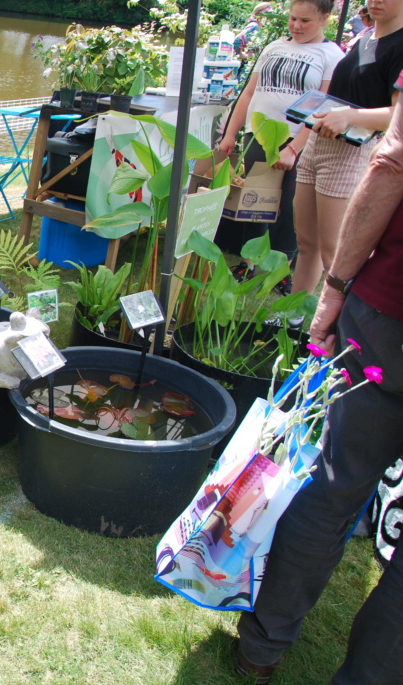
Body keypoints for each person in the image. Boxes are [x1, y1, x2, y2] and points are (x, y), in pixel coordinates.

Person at [234, 67, 403, 685]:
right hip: (389, 316)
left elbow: (391, 166)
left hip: (389, 312)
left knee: (335, 483)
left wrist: (335, 287)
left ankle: (263, 643)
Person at [219, 0, 344, 294]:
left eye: (305, 21)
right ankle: (248, 262)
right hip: (259, 134)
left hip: (297, 139)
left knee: (290, 208)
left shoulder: (331, 55)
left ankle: (283, 269)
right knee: (255, 203)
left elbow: (324, 105)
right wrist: (230, 134)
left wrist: (295, 148)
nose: (297, 26)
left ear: (326, 18)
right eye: (293, 19)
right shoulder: (274, 46)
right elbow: (250, 92)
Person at [291, 0, 403, 304]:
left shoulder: (399, 43)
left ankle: (336, 329)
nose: (376, 1)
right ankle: (292, 316)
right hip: (319, 140)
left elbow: (398, 114)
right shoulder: (365, 37)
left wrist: (350, 117)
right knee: (306, 241)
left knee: (335, 253)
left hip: (352, 150)